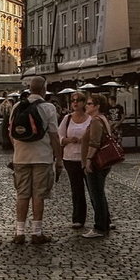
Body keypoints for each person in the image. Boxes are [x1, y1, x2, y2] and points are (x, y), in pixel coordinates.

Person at [9, 76, 62, 245]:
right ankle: (37, 233)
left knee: (22, 194)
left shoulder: (17, 106)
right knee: (39, 194)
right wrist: (59, 158)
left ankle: (19, 233)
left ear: (30, 88)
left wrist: (18, 148)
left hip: (21, 157)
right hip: (42, 157)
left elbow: (11, 133)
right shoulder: (49, 108)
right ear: (44, 89)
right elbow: (54, 135)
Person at [80, 94, 113, 238]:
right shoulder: (102, 119)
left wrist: (88, 160)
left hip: (96, 162)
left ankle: (100, 227)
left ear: (97, 106)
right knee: (99, 193)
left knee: (96, 195)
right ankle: (105, 223)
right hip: (103, 162)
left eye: (89, 103)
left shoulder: (95, 121)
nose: (86, 106)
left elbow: (94, 143)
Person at [58, 93, 91, 229]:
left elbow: (96, 137)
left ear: (84, 103)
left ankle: (103, 217)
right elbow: (59, 137)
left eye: (78, 101)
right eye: (73, 101)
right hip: (70, 158)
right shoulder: (67, 119)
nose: (75, 103)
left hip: (88, 158)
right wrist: (67, 140)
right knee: (77, 190)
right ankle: (78, 218)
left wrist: (85, 140)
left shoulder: (90, 119)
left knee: (94, 189)